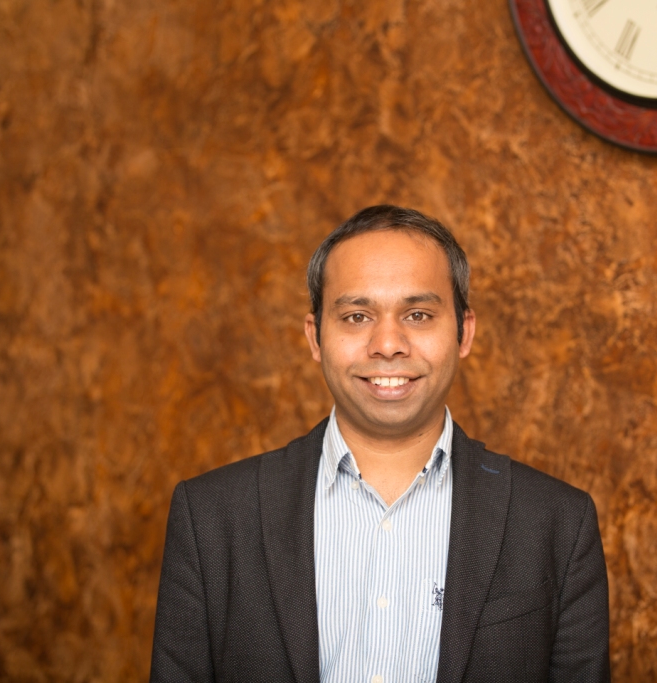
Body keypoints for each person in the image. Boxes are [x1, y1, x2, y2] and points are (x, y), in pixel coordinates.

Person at [149, 205, 610, 682]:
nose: (388, 344)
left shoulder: (557, 523)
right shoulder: (210, 518)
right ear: (315, 338)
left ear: (464, 332)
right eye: (356, 316)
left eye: (418, 314)